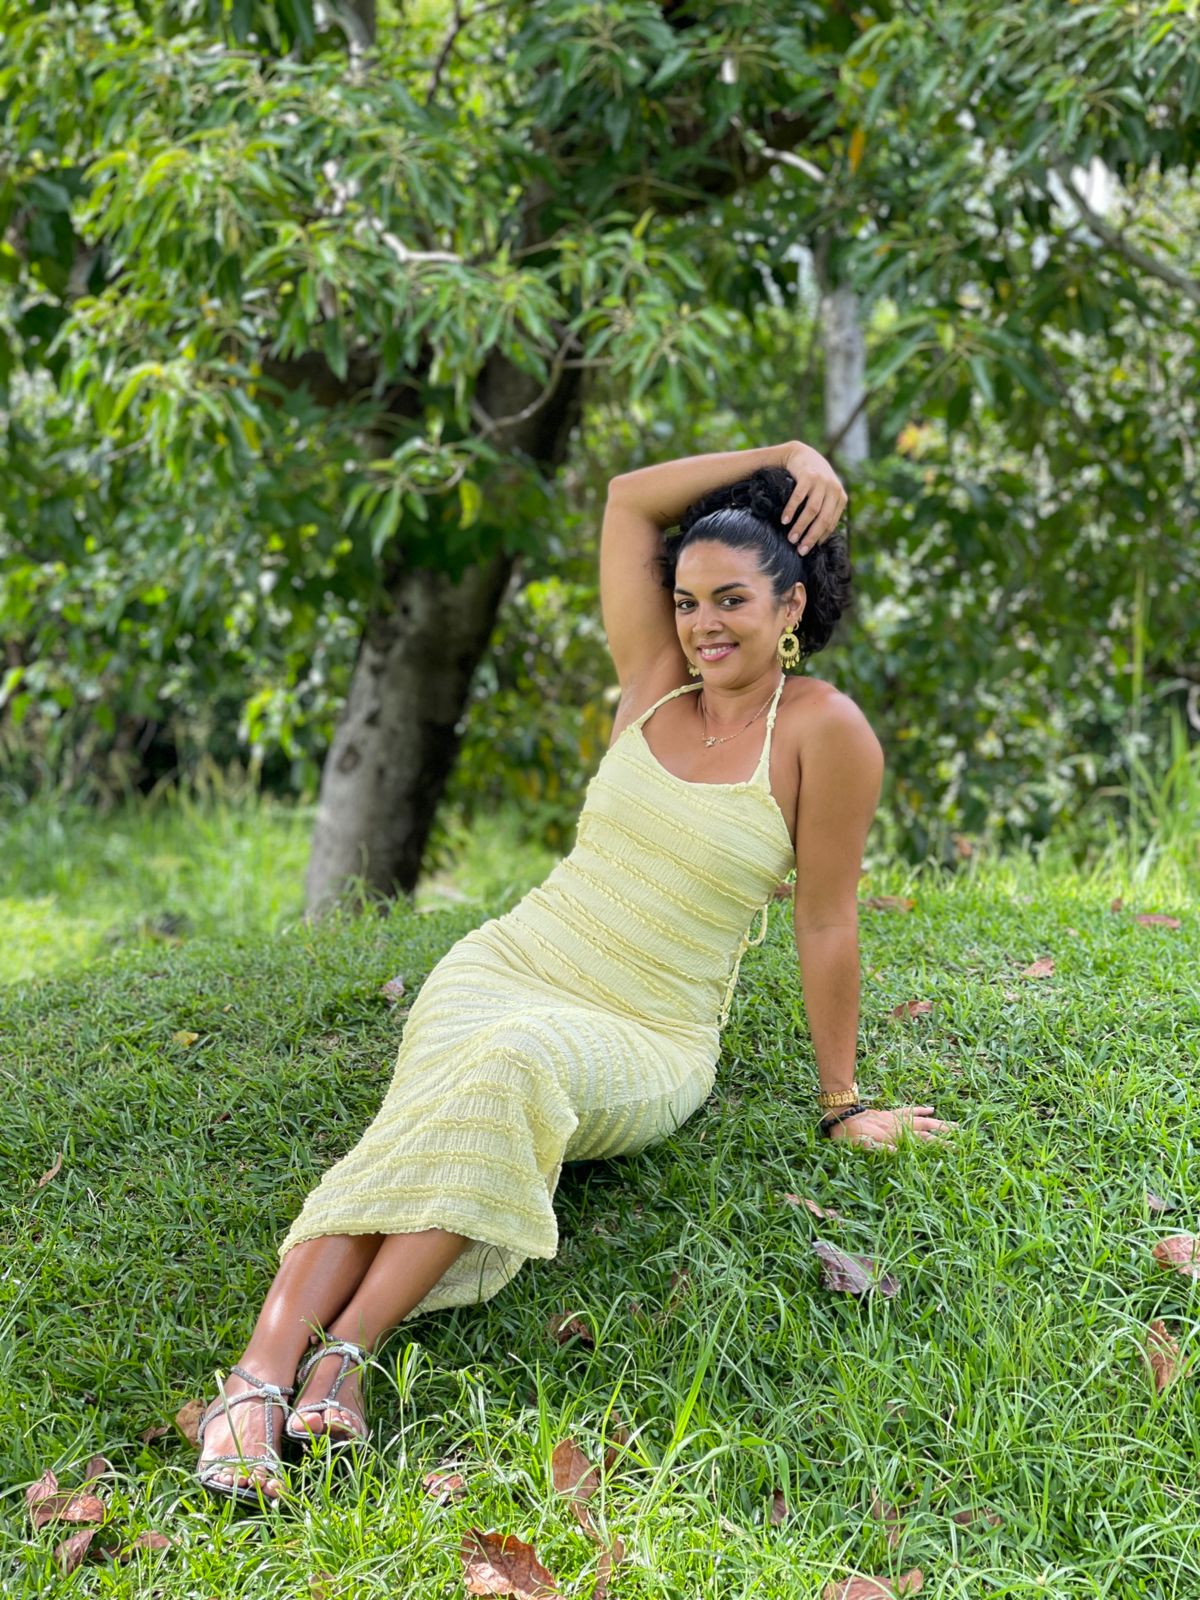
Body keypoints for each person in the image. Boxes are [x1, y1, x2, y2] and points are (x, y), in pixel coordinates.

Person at [195, 439, 951, 1505]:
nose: (702, 625)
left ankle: (346, 1351)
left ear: (791, 606)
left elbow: (825, 920)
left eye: (732, 600)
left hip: (649, 1030)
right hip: (512, 960)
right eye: (686, 602)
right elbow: (630, 500)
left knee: (511, 1063)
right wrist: (784, 456)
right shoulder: (654, 684)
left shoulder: (825, 732)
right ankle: (260, 1373)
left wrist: (844, 1104)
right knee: (441, 1091)